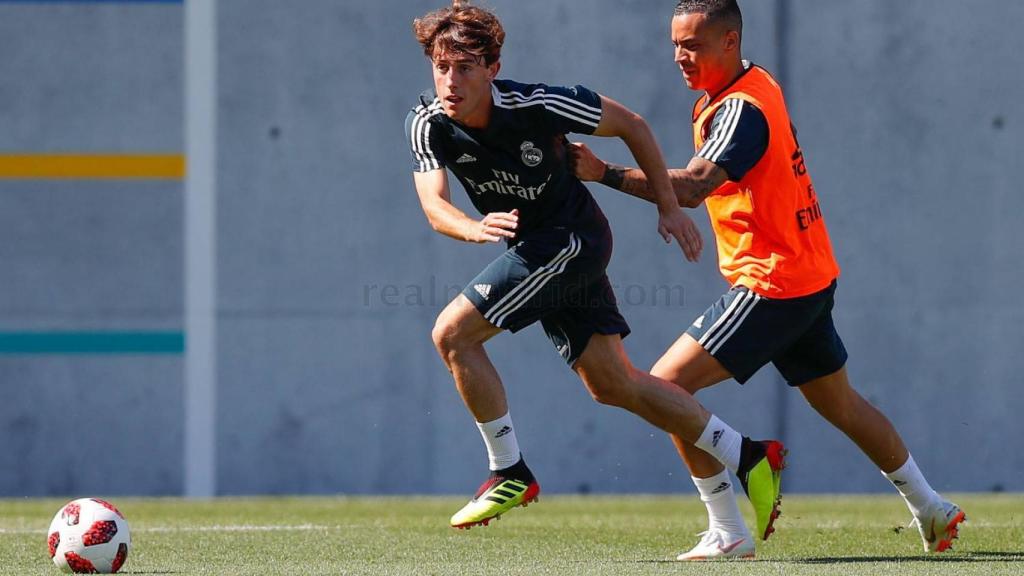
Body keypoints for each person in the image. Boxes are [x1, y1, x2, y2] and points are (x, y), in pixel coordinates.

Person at [570, 0, 966, 560]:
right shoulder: (743, 86)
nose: (681, 57)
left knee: (665, 388)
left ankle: (727, 528)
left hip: (773, 282)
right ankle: (930, 506)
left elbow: (692, 187)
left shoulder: (740, 109)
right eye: (676, 44)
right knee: (841, 405)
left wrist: (601, 171)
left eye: (694, 45)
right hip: (806, 274)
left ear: (730, 41)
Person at [405, 0, 785, 544]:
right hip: (536, 248)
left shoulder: (537, 103)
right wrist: (471, 227)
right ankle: (747, 454)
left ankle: (509, 471)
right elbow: (432, 204)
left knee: (453, 334)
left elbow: (632, 124)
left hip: (571, 240)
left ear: (492, 68)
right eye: (441, 67)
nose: (450, 81)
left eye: (464, 67)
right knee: (614, 384)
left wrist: (669, 206)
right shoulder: (427, 122)